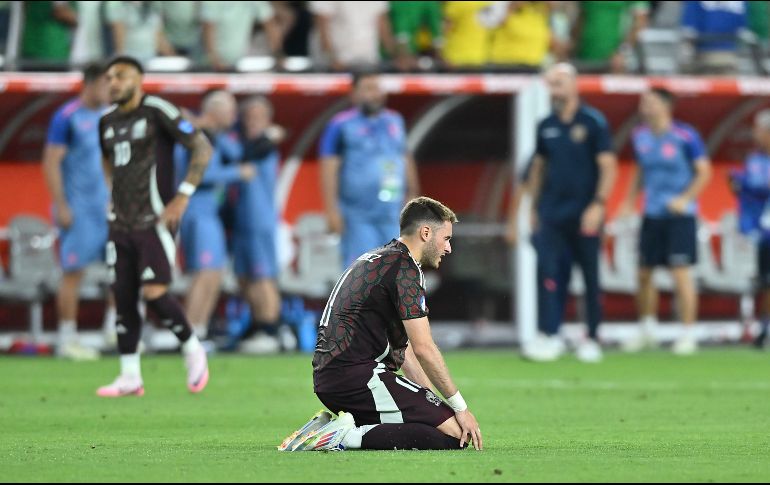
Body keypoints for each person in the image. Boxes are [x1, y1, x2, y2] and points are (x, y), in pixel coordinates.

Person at [279, 197, 482, 452]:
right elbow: (424, 348)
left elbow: (405, 351)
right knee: (456, 436)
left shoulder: (378, 258)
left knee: (434, 424)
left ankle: (329, 428)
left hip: (332, 378)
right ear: (425, 233)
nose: (449, 248)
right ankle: (343, 437)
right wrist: (460, 408)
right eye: (446, 238)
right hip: (359, 379)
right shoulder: (406, 270)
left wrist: (429, 402)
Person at [96, 56, 213, 397]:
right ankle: (129, 375)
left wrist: (183, 195)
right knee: (123, 296)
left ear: (139, 79)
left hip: (155, 218)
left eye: (120, 76)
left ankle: (192, 348)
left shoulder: (156, 110)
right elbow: (108, 162)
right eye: (109, 77)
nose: (113, 83)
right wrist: (112, 195)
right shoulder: (106, 122)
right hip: (120, 222)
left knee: (154, 291)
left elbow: (200, 146)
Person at [523, 63, 618, 363]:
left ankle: (591, 337)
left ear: (575, 85)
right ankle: (550, 335)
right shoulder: (545, 125)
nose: (555, 90)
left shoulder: (593, 121)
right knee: (548, 272)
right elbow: (539, 167)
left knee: (589, 274)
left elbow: (608, 166)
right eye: (551, 84)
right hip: (552, 212)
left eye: (559, 83)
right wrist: (533, 207)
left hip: (585, 211)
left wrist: (598, 204)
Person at [619, 87, 712, 355]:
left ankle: (688, 333)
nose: (644, 107)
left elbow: (704, 172)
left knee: (680, 273)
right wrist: (629, 201)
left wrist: (685, 199)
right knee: (644, 272)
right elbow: (640, 171)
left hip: (680, 216)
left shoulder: (685, 135)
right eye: (642, 102)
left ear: (666, 106)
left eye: (650, 102)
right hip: (652, 213)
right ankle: (648, 329)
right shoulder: (640, 136)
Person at [42, 62, 114, 360]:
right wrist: (61, 204)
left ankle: (114, 330)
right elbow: (51, 162)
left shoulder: (109, 116)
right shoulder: (67, 117)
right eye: (106, 84)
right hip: (78, 209)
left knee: (120, 269)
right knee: (73, 272)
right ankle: (67, 337)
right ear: (90, 83)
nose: (111, 89)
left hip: (105, 208)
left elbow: (110, 163)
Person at [175, 90, 255, 341]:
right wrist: (237, 173)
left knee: (215, 273)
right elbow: (200, 175)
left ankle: (199, 330)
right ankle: (188, 333)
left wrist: (210, 126)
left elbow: (237, 152)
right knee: (204, 272)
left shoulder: (214, 135)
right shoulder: (196, 136)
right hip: (197, 211)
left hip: (210, 212)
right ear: (214, 110)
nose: (234, 116)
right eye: (229, 110)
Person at [319, 70, 420, 267]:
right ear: (354, 94)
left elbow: (404, 156)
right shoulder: (341, 125)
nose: (374, 94)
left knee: (394, 268)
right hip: (357, 213)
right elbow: (329, 167)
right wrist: (331, 210)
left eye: (377, 88)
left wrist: (413, 193)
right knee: (363, 270)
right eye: (368, 89)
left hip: (392, 210)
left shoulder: (395, 120)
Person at [232, 96, 295, 354]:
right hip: (241, 220)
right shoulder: (245, 142)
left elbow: (250, 152)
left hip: (260, 220)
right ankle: (259, 323)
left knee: (263, 276)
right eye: (248, 116)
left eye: (258, 117)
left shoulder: (264, 145)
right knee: (244, 277)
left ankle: (273, 328)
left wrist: (274, 134)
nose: (252, 121)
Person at [730, 109, 770, 349]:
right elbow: (745, 194)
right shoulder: (753, 160)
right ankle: (763, 328)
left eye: (759, 130)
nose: (755, 134)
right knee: (764, 282)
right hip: (759, 233)